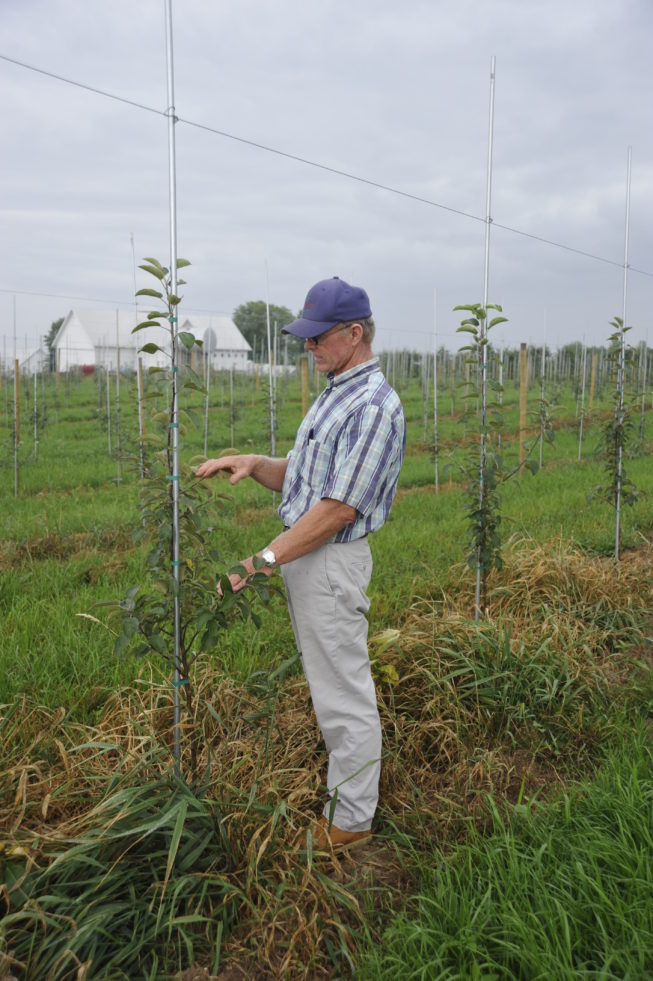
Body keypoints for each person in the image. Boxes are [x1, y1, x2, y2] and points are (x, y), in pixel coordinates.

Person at [195, 276, 406, 848]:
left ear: (354, 333)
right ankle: (348, 796)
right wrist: (252, 461)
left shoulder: (374, 406)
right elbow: (306, 477)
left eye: (317, 339)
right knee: (329, 683)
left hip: (330, 561)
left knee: (344, 693)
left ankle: (351, 823)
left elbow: (337, 508)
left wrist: (259, 560)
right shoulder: (337, 392)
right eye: (305, 340)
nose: (308, 349)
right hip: (309, 555)